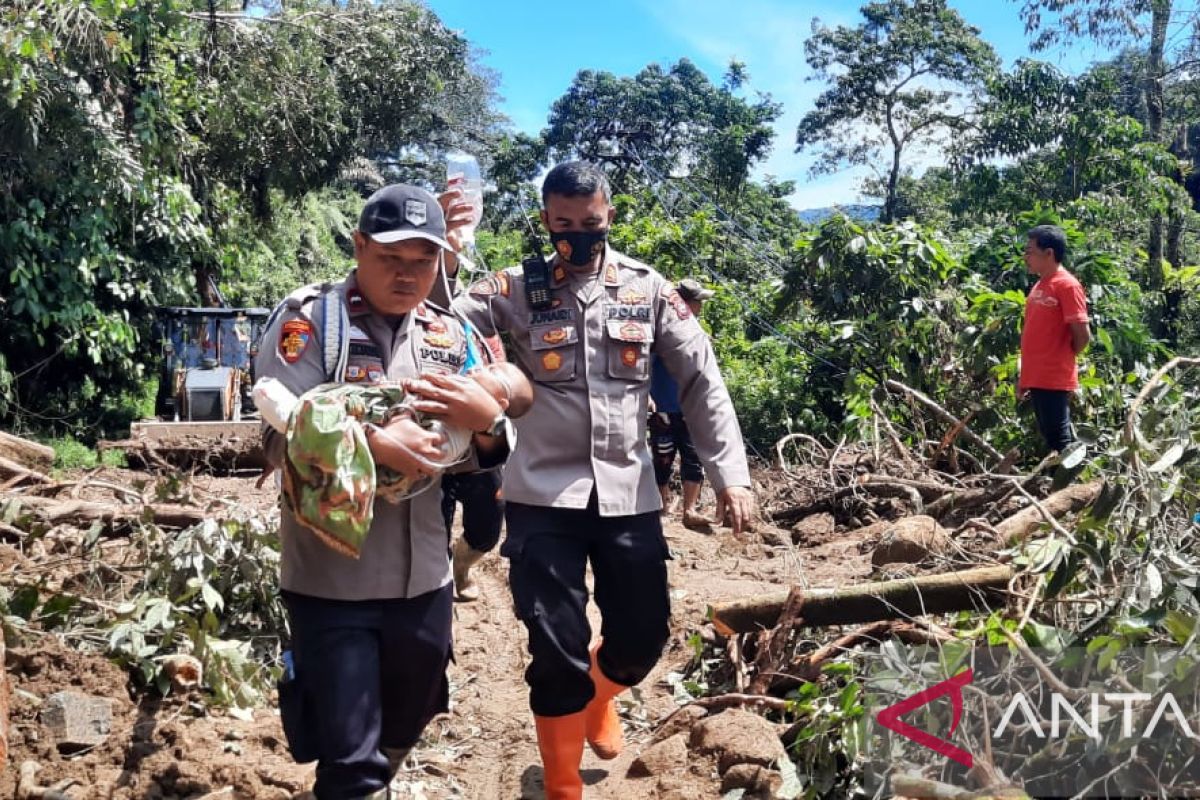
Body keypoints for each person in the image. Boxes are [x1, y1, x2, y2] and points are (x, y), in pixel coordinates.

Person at [452, 161, 755, 800]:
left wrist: (732, 475)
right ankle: (562, 782)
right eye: (563, 224)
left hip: (628, 492)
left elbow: (702, 380)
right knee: (555, 642)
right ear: (545, 221)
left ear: (608, 215)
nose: (577, 235)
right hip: (541, 494)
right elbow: (445, 319)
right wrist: (454, 263)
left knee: (642, 638)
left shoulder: (648, 290)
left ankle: (601, 693)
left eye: (589, 223)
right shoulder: (513, 286)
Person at [254, 183, 531, 800]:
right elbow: (275, 441)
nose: (409, 277)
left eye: (423, 262)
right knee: (351, 763)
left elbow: (488, 443)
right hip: (331, 580)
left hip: (424, 578)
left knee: (407, 720)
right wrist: (370, 444)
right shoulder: (309, 322)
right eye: (391, 260)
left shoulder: (449, 334)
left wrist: (486, 422)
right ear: (358, 247)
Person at [1018, 224, 1091, 454]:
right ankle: (1060, 485)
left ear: (1049, 253)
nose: (1025, 257)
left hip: (1053, 376)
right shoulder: (1040, 284)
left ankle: (1074, 487)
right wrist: (1026, 376)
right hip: (1037, 376)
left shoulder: (1067, 285)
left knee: (1060, 440)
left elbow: (1082, 334)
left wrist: (1061, 358)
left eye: (1030, 251)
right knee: (1051, 438)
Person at [649, 277, 714, 530]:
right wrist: (648, 396)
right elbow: (647, 365)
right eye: (698, 301)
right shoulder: (663, 329)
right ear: (685, 303)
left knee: (693, 457)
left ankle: (690, 509)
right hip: (664, 406)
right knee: (662, 457)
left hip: (691, 408)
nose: (701, 306)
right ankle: (662, 508)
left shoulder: (697, 333)